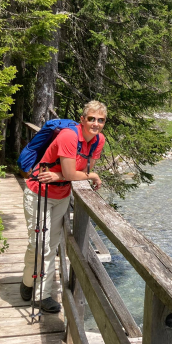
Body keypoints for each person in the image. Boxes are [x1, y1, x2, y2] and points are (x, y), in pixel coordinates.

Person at [20, 101, 107, 313]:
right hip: (39, 192)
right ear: (82, 119)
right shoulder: (69, 136)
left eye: (101, 120)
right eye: (91, 119)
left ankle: (41, 294)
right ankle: (27, 281)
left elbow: (80, 170)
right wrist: (91, 176)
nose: (95, 124)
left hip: (61, 194)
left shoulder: (98, 141)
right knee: (38, 244)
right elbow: (78, 174)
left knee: (49, 244)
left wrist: (60, 175)